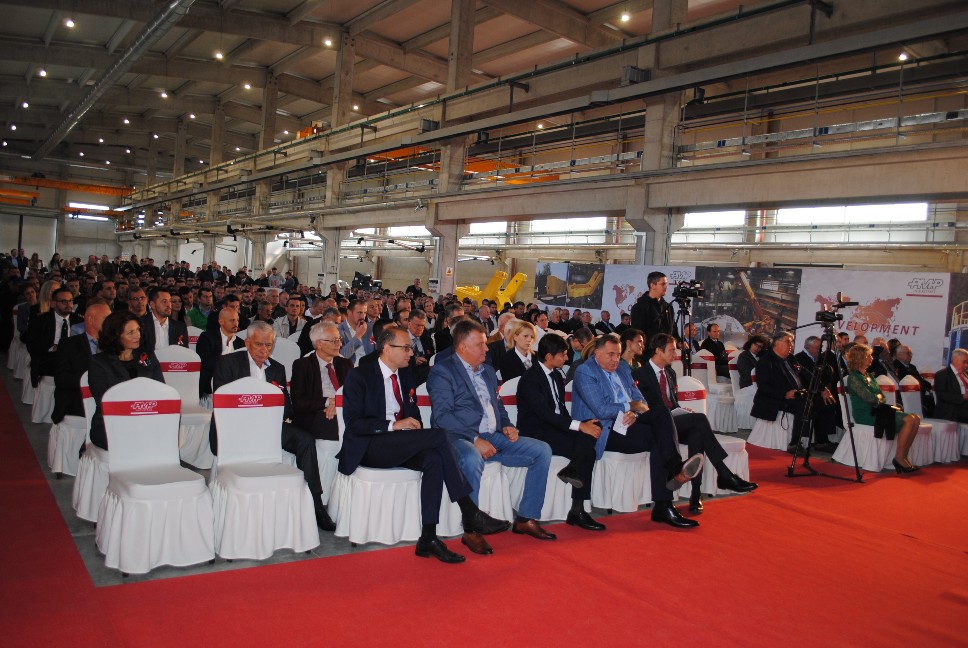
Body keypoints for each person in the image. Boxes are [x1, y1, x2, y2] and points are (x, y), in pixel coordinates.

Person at [341, 326, 509, 563]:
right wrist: (392, 425)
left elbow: (415, 415)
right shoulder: (360, 376)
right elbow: (354, 423)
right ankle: (470, 511)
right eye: (406, 348)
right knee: (439, 435)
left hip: (400, 443)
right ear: (386, 348)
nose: (411, 353)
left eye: (410, 348)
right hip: (370, 445)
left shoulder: (405, 376)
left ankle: (428, 537)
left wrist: (412, 426)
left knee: (434, 458)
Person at [428, 319, 556, 552]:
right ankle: (472, 530)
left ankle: (526, 518)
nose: (486, 349)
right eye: (480, 345)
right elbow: (442, 417)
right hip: (458, 437)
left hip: (493, 435)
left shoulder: (487, 371)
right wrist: (475, 439)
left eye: (485, 343)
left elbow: (497, 405)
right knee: (471, 457)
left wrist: (507, 425)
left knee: (542, 450)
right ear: (463, 347)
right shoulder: (443, 371)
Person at [211, 321, 335, 530]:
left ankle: (315, 502)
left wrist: (268, 412)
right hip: (235, 429)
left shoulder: (277, 368)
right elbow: (222, 403)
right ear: (247, 343)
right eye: (259, 344)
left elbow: (287, 408)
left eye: (269, 345)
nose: (264, 350)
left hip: (268, 427)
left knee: (305, 440)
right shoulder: (228, 363)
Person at [572, 334, 703, 528]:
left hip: (630, 422)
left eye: (618, 354)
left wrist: (633, 412)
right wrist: (631, 407)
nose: (615, 359)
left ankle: (666, 497)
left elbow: (642, 401)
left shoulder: (623, 368)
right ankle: (666, 496)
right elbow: (601, 409)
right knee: (660, 434)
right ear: (597, 353)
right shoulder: (585, 371)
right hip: (605, 429)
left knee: (661, 414)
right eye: (610, 354)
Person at [633, 333, 758, 512]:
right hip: (658, 426)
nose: (675, 354)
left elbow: (672, 403)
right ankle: (724, 474)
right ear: (658, 351)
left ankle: (696, 494)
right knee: (699, 420)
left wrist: (682, 410)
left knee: (697, 433)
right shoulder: (640, 374)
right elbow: (644, 408)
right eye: (671, 350)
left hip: (674, 421)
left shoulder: (670, 373)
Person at [517, 334, 606, 531]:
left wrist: (580, 425)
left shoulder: (556, 375)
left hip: (555, 426)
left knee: (594, 427)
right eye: (563, 355)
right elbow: (544, 414)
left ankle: (573, 473)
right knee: (587, 449)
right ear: (549, 356)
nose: (567, 358)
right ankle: (577, 511)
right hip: (536, 431)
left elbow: (561, 410)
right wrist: (577, 426)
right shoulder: (530, 379)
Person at [88, 311, 165, 450]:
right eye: (131, 332)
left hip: (146, 418)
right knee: (139, 439)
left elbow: (161, 389)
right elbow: (104, 399)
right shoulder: (99, 363)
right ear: (116, 336)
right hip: (110, 423)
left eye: (138, 330)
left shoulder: (147, 357)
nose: (137, 335)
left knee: (165, 432)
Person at [845, 344, 921, 473]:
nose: (871, 358)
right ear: (859, 358)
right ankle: (899, 458)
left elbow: (881, 397)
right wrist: (877, 397)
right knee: (909, 419)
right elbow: (870, 398)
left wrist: (877, 397)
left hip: (879, 410)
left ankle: (903, 456)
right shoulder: (853, 377)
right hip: (866, 413)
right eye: (868, 356)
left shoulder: (869, 376)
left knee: (916, 418)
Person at [290, 321, 352, 440]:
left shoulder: (345, 364)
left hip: (343, 409)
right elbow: (298, 402)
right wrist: (328, 402)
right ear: (319, 344)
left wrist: (338, 403)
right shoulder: (303, 365)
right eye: (334, 341)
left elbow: (354, 393)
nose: (339, 344)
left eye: (339, 339)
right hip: (316, 414)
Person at [52, 301, 110, 424]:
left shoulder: (115, 344)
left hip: (108, 399)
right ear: (91, 319)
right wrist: (92, 379)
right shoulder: (69, 345)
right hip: (78, 399)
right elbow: (62, 379)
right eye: (106, 318)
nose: (111, 322)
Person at [751, 332, 810, 451]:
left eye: (792, 342)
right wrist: (785, 394)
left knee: (820, 401)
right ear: (777, 343)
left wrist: (823, 389)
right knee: (804, 405)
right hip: (774, 399)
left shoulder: (791, 358)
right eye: (788, 341)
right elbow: (764, 387)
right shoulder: (766, 361)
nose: (791, 345)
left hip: (794, 395)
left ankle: (819, 441)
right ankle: (795, 443)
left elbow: (806, 374)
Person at [25, 286, 83, 387]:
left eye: (70, 301)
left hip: (72, 363)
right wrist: (53, 349)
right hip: (48, 360)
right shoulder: (41, 321)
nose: (69, 304)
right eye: (64, 301)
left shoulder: (79, 321)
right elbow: (33, 346)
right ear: (53, 304)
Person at [793, 335, 840, 452]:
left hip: (819, 390)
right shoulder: (799, 358)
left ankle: (823, 439)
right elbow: (805, 377)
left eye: (820, 347)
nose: (820, 350)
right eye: (817, 347)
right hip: (806, 391)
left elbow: (827, 373)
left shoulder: (819, 359)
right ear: (808, 347)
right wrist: (821, 389)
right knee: (822, 403)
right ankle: (820, 441)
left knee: (830, 401)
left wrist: (825, 385)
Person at [195, 308, 245, 399]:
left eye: (237, 320)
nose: (236, 324)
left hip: (235, 385)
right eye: (232, 320)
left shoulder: (241, 343)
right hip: (211, 385)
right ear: (221, 322)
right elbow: (205, 362)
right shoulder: (207, 337)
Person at [630, 271, 676, 342]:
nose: (666, 287)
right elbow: (638, 334)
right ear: (652, 285)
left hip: (667, 348)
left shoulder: (668, 307)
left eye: (666, 284)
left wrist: (679, 342)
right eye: (663, 284)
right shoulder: (639, 307)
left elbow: (673, 330)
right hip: (649, 348)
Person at [139, 287, 189, 352]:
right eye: (164, 301)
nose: (169, 305)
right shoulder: (140, 324)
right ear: (152, 305)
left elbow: (184, 352)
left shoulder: (180, 327)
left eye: (170, 301)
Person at [894, 345, 935, 417]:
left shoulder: (912, 367)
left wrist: (931, 387)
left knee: (933, 398)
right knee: (929, 400)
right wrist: (925, 391)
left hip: (919, 391)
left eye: (911, 353)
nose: (910, 356)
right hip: (908, 394)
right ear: (899, 354)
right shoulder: (896, 366)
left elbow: (921, 380)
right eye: (908, 353)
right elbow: (905, 381)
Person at [933, 348, 968, 423]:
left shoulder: (965, 374)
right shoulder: (942, 374)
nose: (966, 365)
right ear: (955, 360)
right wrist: (963, 397)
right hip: (952, 410)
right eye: (964, 362)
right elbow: (942, 395)